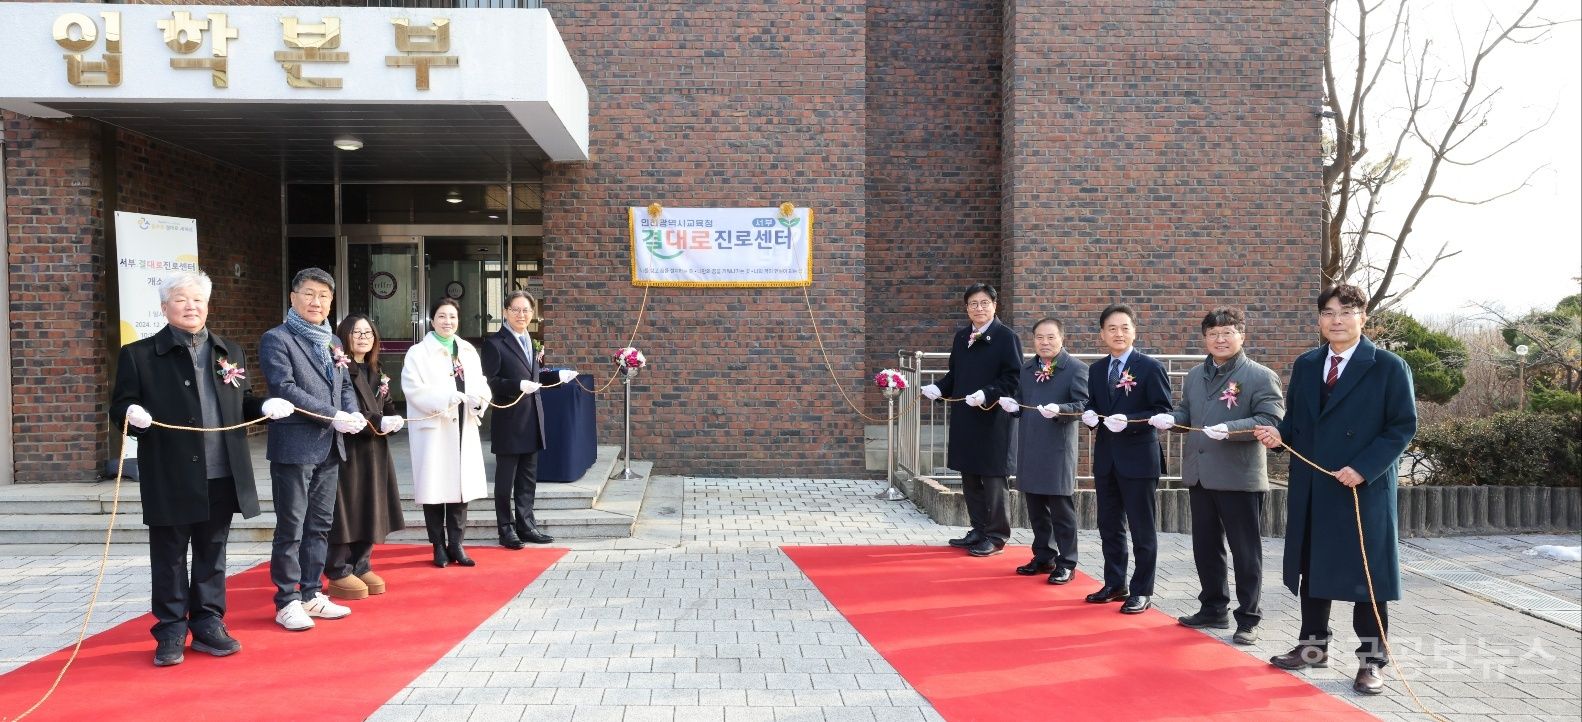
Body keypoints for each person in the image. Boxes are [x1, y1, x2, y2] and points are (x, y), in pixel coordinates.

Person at [111, 270, 293, 666]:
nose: (191, 306)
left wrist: (263, 406)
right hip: (170, 472)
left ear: (208, 305)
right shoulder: (139, 355)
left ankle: (209, 622)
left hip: (221, 471)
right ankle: (171, 629)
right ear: (164, 307)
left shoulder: (229, 351)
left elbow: (240, 402)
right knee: (170, 554)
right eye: (181, 299)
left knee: (213, 552)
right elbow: (119, 406)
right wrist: (132, 412)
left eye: (198, 299)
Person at [1254, 284, 1416, 695]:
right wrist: (1278, 435)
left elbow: (1402, 426)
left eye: (1346, 311)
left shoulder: (1388, 366)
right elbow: (1297, 424)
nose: (1337, 320)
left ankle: (1372, 662)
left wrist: (1363, 468)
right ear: (1320, 319)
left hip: (1362, 487)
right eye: (1328, 312)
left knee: (1369, 575)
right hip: (1314, 484)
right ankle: (1312, 648)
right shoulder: (1308, 364)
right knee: (1315, 569)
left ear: (1363, 316)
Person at [1149, 307, 1284, 645]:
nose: (1220, 339)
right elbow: (1187, 412)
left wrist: (1232, 428)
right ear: (1205, 338)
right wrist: (1171, 419)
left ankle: (1249, 617)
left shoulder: (1259, 375)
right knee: (1206, 547)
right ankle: (1213, 607)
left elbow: (1271, 419)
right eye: (1213, 334)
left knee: (1245, 551)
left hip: (1239, 476)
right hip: (1201, 475)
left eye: (1227, 333)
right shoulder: (1196, 374)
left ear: (1242, 335)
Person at [260, 267, 367, 631]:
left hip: (329, 447)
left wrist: (351, 413)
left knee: (319, 525)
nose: (316, 301)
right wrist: (332, 414)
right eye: (308, 293)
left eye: (323, 295)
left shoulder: (333, 342)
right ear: (293, 298)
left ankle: (310, 593)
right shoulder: (277, 339)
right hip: (294, 446)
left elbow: (345, 386)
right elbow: (285, 387)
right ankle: (286, 600)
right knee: (291, 526)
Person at [1080, 304, 1171, 614]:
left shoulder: (1150, 367)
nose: (1118, 333)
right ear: (1102, 334)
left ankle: (1143, 590)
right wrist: (1090, 415)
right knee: (1109, 525)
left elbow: (1163, 411)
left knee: (1141, 527)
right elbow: (1093, 404)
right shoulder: (1095, 369)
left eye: (1124, 327)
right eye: (1112, 328)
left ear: (1134, 331)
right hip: (1106, 458)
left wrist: (1130, 419)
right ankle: (1115, 582)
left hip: (1139, 458)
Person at [920, 283, 1022, 557]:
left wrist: (987, 393)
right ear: (966, 308)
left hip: (993, 419)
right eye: (973, 304)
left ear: (994, 305)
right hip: (966, 417)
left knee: (992, 479)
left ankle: (997, 535)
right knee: (970, 477)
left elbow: (1013, 378)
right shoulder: (962, 336)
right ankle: (978, 528)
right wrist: (940, 388)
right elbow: (955, 375)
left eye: (984, 303)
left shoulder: (1006, 337)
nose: (979, 308)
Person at [480, 291, 578, 548]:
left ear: (532, 314)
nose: (521, 315)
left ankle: (527, 525)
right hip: (510, 420)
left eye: (526, 310)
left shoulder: (530, 340)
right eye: (516, 310)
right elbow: (489, 382)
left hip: (533, 419)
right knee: (505, 482)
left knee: (527, 480)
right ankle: (506, 529)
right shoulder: (495, 343)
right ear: (505, 312)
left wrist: (558, 378)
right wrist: (517, 384)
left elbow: (534, 378)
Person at [996, 317, 1089, 583]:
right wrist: (1013, 405)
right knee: (1035, 507)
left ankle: (1067, 562)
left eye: (1050, 337)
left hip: (1058, 449)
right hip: (1029, 444)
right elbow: (1022, 400)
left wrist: (1062, 410)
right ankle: (1043, 555)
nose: (1045, 342)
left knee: (1061, 510)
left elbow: (1083, 405)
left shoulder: (1076, 369)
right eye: (1039, 337)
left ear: (1062, 338)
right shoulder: (1027, 369)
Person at [324, 315, 407, 600]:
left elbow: (389, 405)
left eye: (368, 332)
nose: (362, 337)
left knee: (371, 507)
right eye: (356, 332)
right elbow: (348, 407)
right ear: (344, 336)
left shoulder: (377, 370)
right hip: (349, 449)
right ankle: (338, 569)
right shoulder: (339, 367)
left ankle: (361, 564)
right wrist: (378, 420)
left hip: (375, 450)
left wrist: (395, 420)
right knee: (346, 510)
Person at [403, 297, 491, 568]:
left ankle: (457, 543)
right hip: (434, 429)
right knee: (434, 489)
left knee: (460, 489)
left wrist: (479, 400)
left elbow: (481, 382)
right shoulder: (418, 353)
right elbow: (413, 388)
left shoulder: (466, 350)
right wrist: (446, 398)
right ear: (432, 320)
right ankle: (438, 545)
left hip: (463, 426)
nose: (447, 322)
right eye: (442, 316)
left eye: (452, 317)